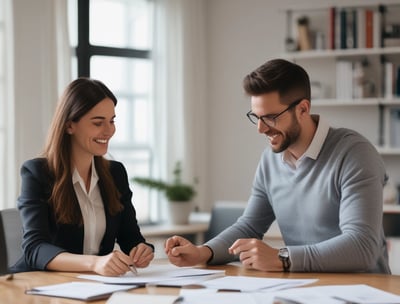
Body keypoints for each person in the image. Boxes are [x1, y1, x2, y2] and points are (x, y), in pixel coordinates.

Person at [165, 58, 391, 273]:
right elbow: (249, 226)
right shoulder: (270, 160)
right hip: (306, 289)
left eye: (271, 117)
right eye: (257, 117)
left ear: (303, 109)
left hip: (362, 292)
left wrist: (283, 257)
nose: (261, 129)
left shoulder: (355, 154)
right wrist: (203, 252)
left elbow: (362, 246)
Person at [12, 78, 154, 276]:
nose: (109, 130)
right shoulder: (38, 173)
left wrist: (142, 250)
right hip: (42, 286)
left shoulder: (116, 173)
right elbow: (35, 249)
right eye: (98, 123)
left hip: (93, 286)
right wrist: (94, 263)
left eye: (111, 121)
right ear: (70, 125)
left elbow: (131, 237)